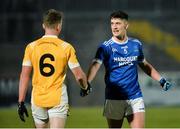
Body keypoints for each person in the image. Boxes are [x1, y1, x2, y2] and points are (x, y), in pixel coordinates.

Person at [86, 10, 173, 128]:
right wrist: (86, 83)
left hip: (135, 96)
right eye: (112, 23)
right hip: (114, 98)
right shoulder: (105, 47)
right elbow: (95, 65)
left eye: (118, 23)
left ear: (126, 25)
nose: (114, 27)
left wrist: (161, 80)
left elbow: (145, 65)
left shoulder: (136, 44)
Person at [18, 9, 91, 128]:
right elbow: (78, 76)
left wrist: (21, 101)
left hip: (38, 99)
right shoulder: (66, 47)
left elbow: (24, 75)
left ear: (43, 25)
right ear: (58, 26)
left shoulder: (31, 47)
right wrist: (86, 87)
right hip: (57, 98)